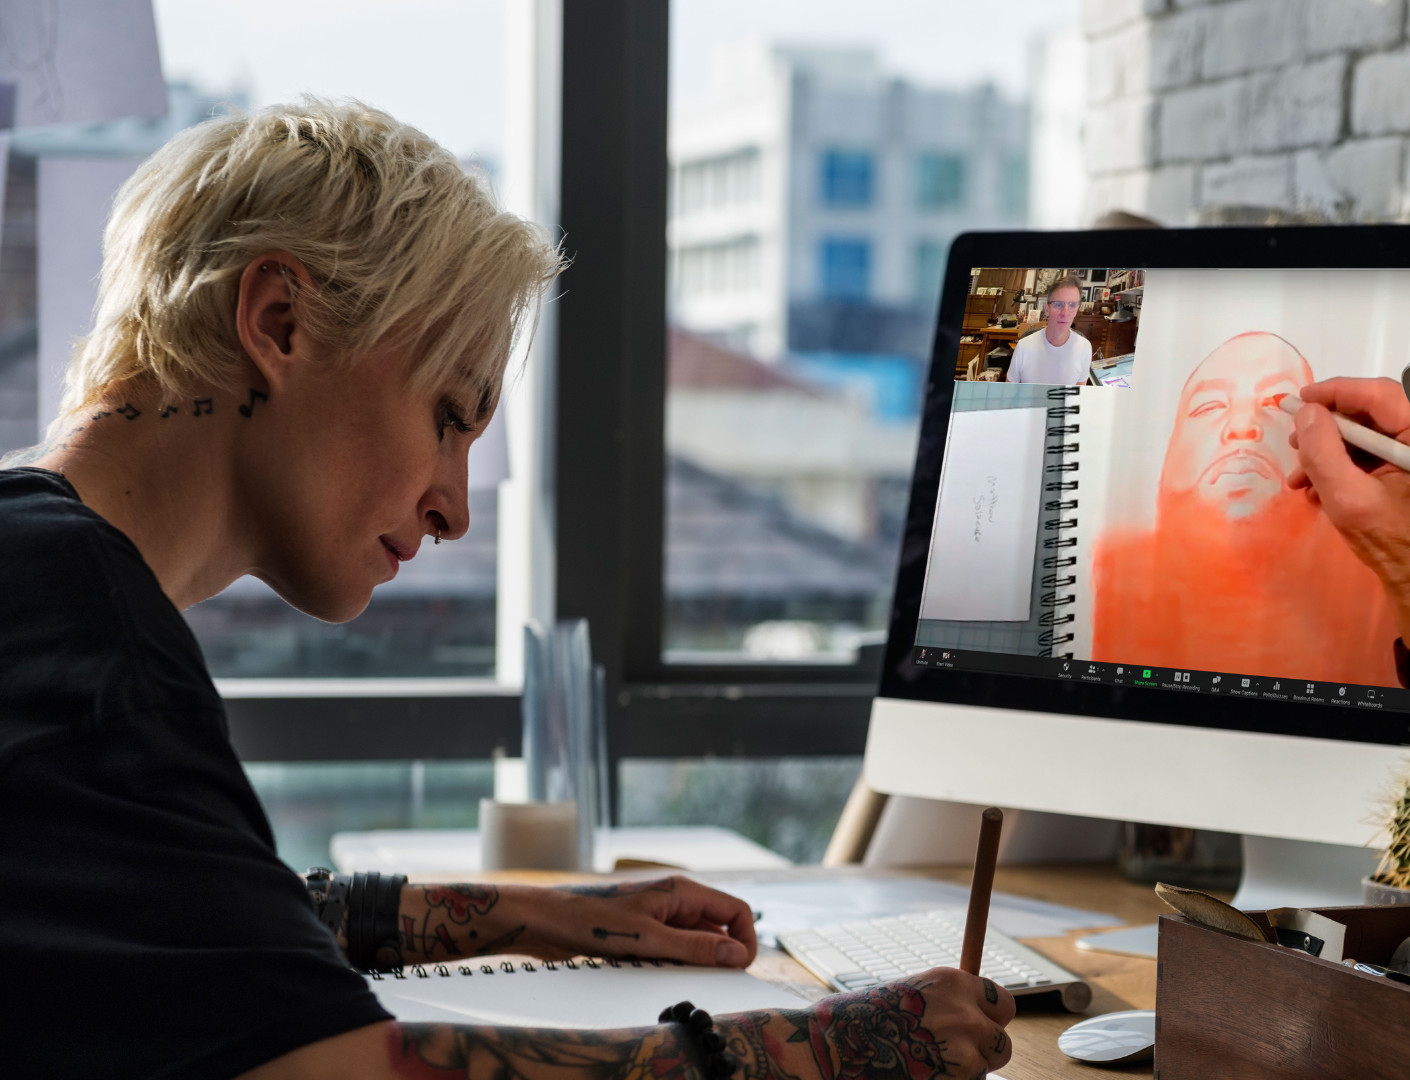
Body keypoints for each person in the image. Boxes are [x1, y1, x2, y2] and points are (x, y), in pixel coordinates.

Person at [0, 100, 1013, 1080]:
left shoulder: (43, 577)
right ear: (279, 320)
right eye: (448, 414)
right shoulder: (82, 635)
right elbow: (339, 1073)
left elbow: (180, 920)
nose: (454, 510)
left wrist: (553, 914)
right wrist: (828, 1049)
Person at [1090, 332, 1410, 685]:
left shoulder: (1370, 592)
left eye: (1276, 403)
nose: (1243, 428)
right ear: (1167, 456)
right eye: (1210, 406)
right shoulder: (1114, 565)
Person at [1006, 274, 1094, 385]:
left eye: (1072, 305)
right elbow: (1010, 392)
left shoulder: (1085, 347)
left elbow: (1078, 394)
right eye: (1058, 305)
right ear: (1047, 309)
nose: (1065, 313)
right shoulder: (1024, 346)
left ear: (1077, 309)